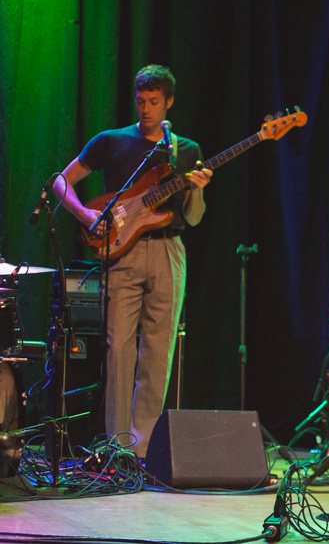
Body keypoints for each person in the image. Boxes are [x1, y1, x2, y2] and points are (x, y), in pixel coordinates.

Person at [53, 65, 212, 457]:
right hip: (120, 250)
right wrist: (83, 213)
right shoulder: (112, 140)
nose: (146, 109)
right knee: (118, 347)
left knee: (158, 351)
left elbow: (193, 217)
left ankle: (143, 452)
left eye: (154, 102)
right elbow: (61, 180)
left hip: (168, 247)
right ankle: (115, 447)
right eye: (140, 101)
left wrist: (197, 192)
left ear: (169, 102)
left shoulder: (185, 150)